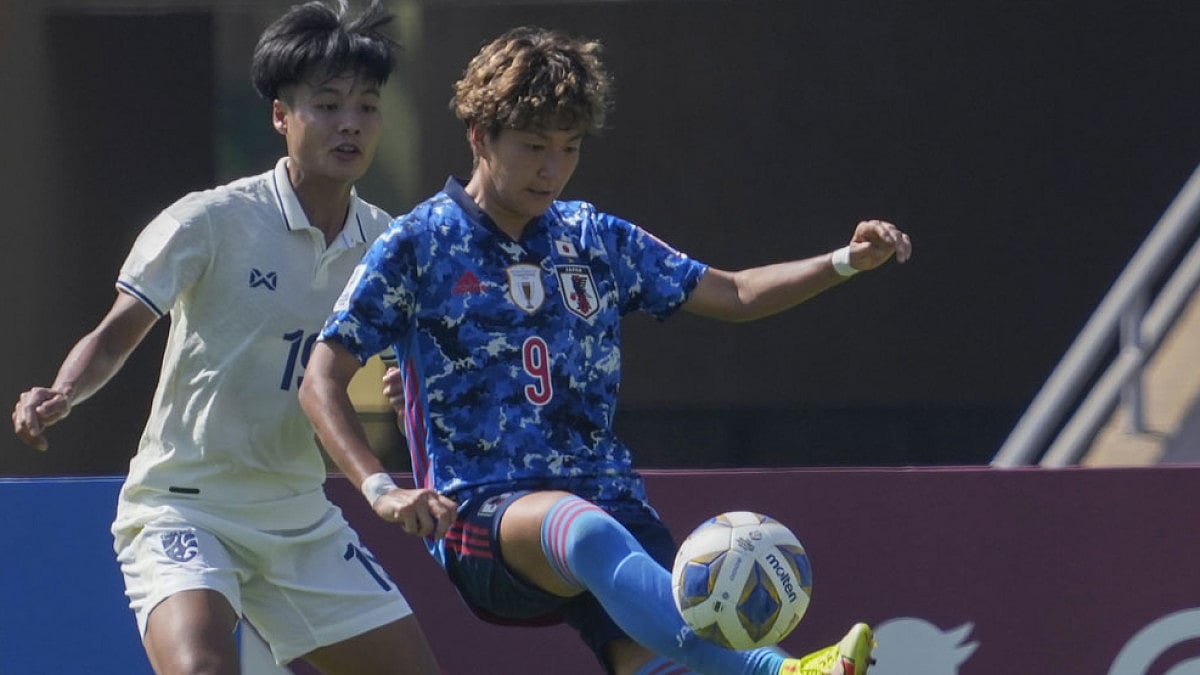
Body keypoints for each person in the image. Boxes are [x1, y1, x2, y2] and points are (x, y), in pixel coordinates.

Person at [299, 26, 911, 675]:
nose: (551, 168)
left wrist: (846, 260)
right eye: (534, 146)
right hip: (481, 513)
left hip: (611, 503)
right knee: (583, 529)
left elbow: (735, 293)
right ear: (480, 136)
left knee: (657, 654)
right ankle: (779, 670)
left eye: (568, 148)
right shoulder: (417, 242)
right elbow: (321, 379)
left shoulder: (591, 235)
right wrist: (379, 489)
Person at [10, 2, 455, 673]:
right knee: (202, 668)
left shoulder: (388, 245)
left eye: (366, 107)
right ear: (281, 115)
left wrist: (405, 383)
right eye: (327, 104)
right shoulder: (209, 220)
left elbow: (410, 362)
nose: (350, 124)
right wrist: (63, 391)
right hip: (184, 508)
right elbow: (112, 336)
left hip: (301, 517)